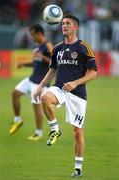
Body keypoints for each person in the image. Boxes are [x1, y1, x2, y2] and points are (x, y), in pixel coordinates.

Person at [34, 15, 97, 177]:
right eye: (62, 23)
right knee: (45, 98)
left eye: (68, 23)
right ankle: (55, 129)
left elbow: (93, 73)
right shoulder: (57, 48)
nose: (64, 26)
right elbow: (52, 70)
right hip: (60, 89)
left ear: (75, 27)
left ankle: (78, 167)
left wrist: (76, 83)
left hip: (77, 94)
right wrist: (40, 87)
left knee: (77, 132)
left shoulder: (84, 47)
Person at [9, 24, 53, 141]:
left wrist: (42, 57)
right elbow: (36, 62)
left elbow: (54, 63)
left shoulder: (48, 46)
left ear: (39, 34)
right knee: (15, 94)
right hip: (31, 79)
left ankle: (38, 133)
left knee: (37, 108)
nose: (31, 38)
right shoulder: (36, 46)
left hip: (40, 83)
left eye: (33, 35)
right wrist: (24, 64)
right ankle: (18, 120)